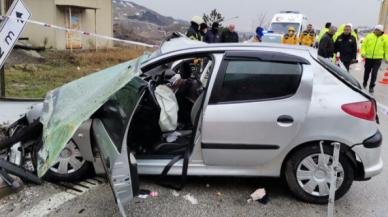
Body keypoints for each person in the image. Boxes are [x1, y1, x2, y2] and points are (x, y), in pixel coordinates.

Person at [362, 25, 388, 93]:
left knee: (374, 74)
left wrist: (386, 58)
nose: (376, 31)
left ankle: (371, 87)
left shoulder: (385, 38)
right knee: (367, 72)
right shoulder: (369, 36)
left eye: (378, 30)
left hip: (378, 59)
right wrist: (363, 53)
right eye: (376, 29)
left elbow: (386, 49)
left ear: (381, 31)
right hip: (368, 58)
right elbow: (364, 45)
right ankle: (364, 83)